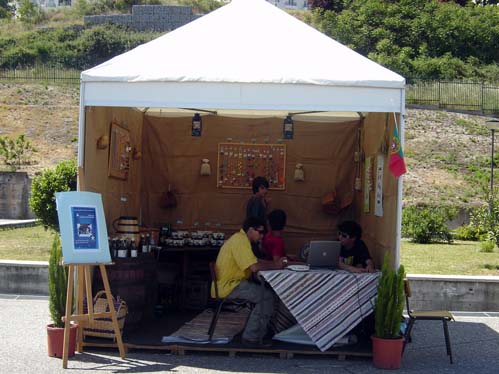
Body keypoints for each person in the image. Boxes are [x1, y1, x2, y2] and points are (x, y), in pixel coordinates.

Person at [212, 216, 287, 347]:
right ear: (251, 230)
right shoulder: (240, 241)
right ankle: (251, 337)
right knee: (267, 296)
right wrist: (276, 265)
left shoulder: (240, 239)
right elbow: (254, 267)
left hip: (231, 283)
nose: (262, 236)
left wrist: (274, 263)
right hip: (230, 286)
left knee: (267, 294)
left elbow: (255, 261)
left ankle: (260, 331)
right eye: (260, 232)